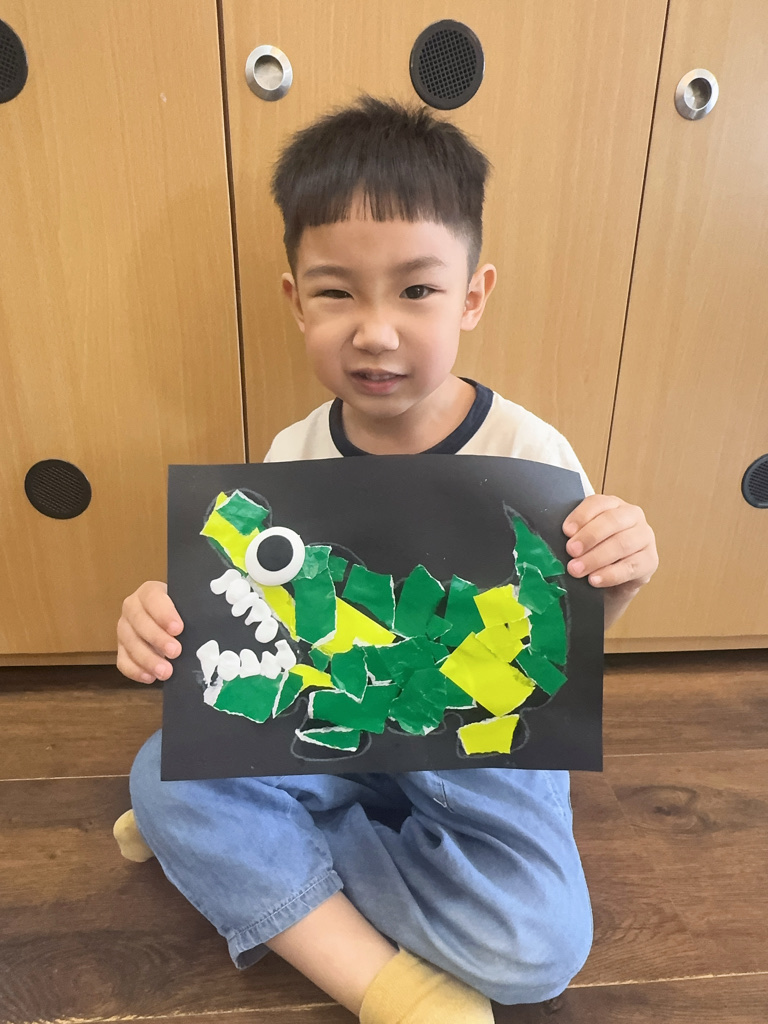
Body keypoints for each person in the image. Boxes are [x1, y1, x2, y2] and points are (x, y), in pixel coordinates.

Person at [115, 95, 658, 1023]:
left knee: (540, 950)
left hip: (485, 751)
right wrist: (166, 623)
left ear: (472, 296)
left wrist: (622, 576)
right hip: (340, 723)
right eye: (337, 292)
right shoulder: (291, 456)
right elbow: (264, 634)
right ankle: (382, 987)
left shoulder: (533, 457)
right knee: (162, 771)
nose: (375, 330)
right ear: (296, 300)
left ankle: (264, 853)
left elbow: (563, 654)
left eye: (416, 291)